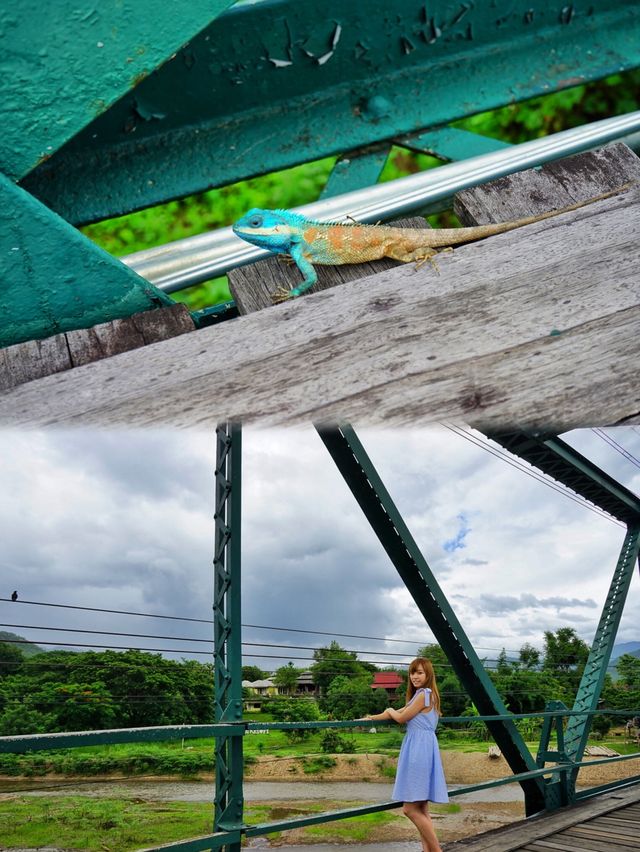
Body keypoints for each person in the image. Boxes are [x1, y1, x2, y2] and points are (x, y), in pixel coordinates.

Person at [360, 657, 448, 852]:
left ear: (428, 675)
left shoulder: (423, 694)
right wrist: (371, 717)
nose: (415, 676)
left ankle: (437, 850)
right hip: (424, 747)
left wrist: (389, 709)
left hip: (418, 750)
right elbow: (398, 711)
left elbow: (399, 717)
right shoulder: (426, 695)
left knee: (409, 809)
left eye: (420, 672)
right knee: (422, 807)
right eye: (412, 672)